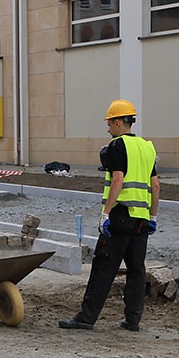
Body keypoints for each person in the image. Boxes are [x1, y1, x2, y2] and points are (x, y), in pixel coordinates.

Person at [59, 99, 159, 332]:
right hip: (141, 220)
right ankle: (133, 320)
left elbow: (118, 180)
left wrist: (105, 214)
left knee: (103, 267)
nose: (107, 128)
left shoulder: (116, 146)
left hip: (120, 216)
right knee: (136, 270)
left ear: (117, 122)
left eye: (109, 123)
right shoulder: (147, 147)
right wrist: (153, 217)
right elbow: (156, 186)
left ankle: (86, 318)